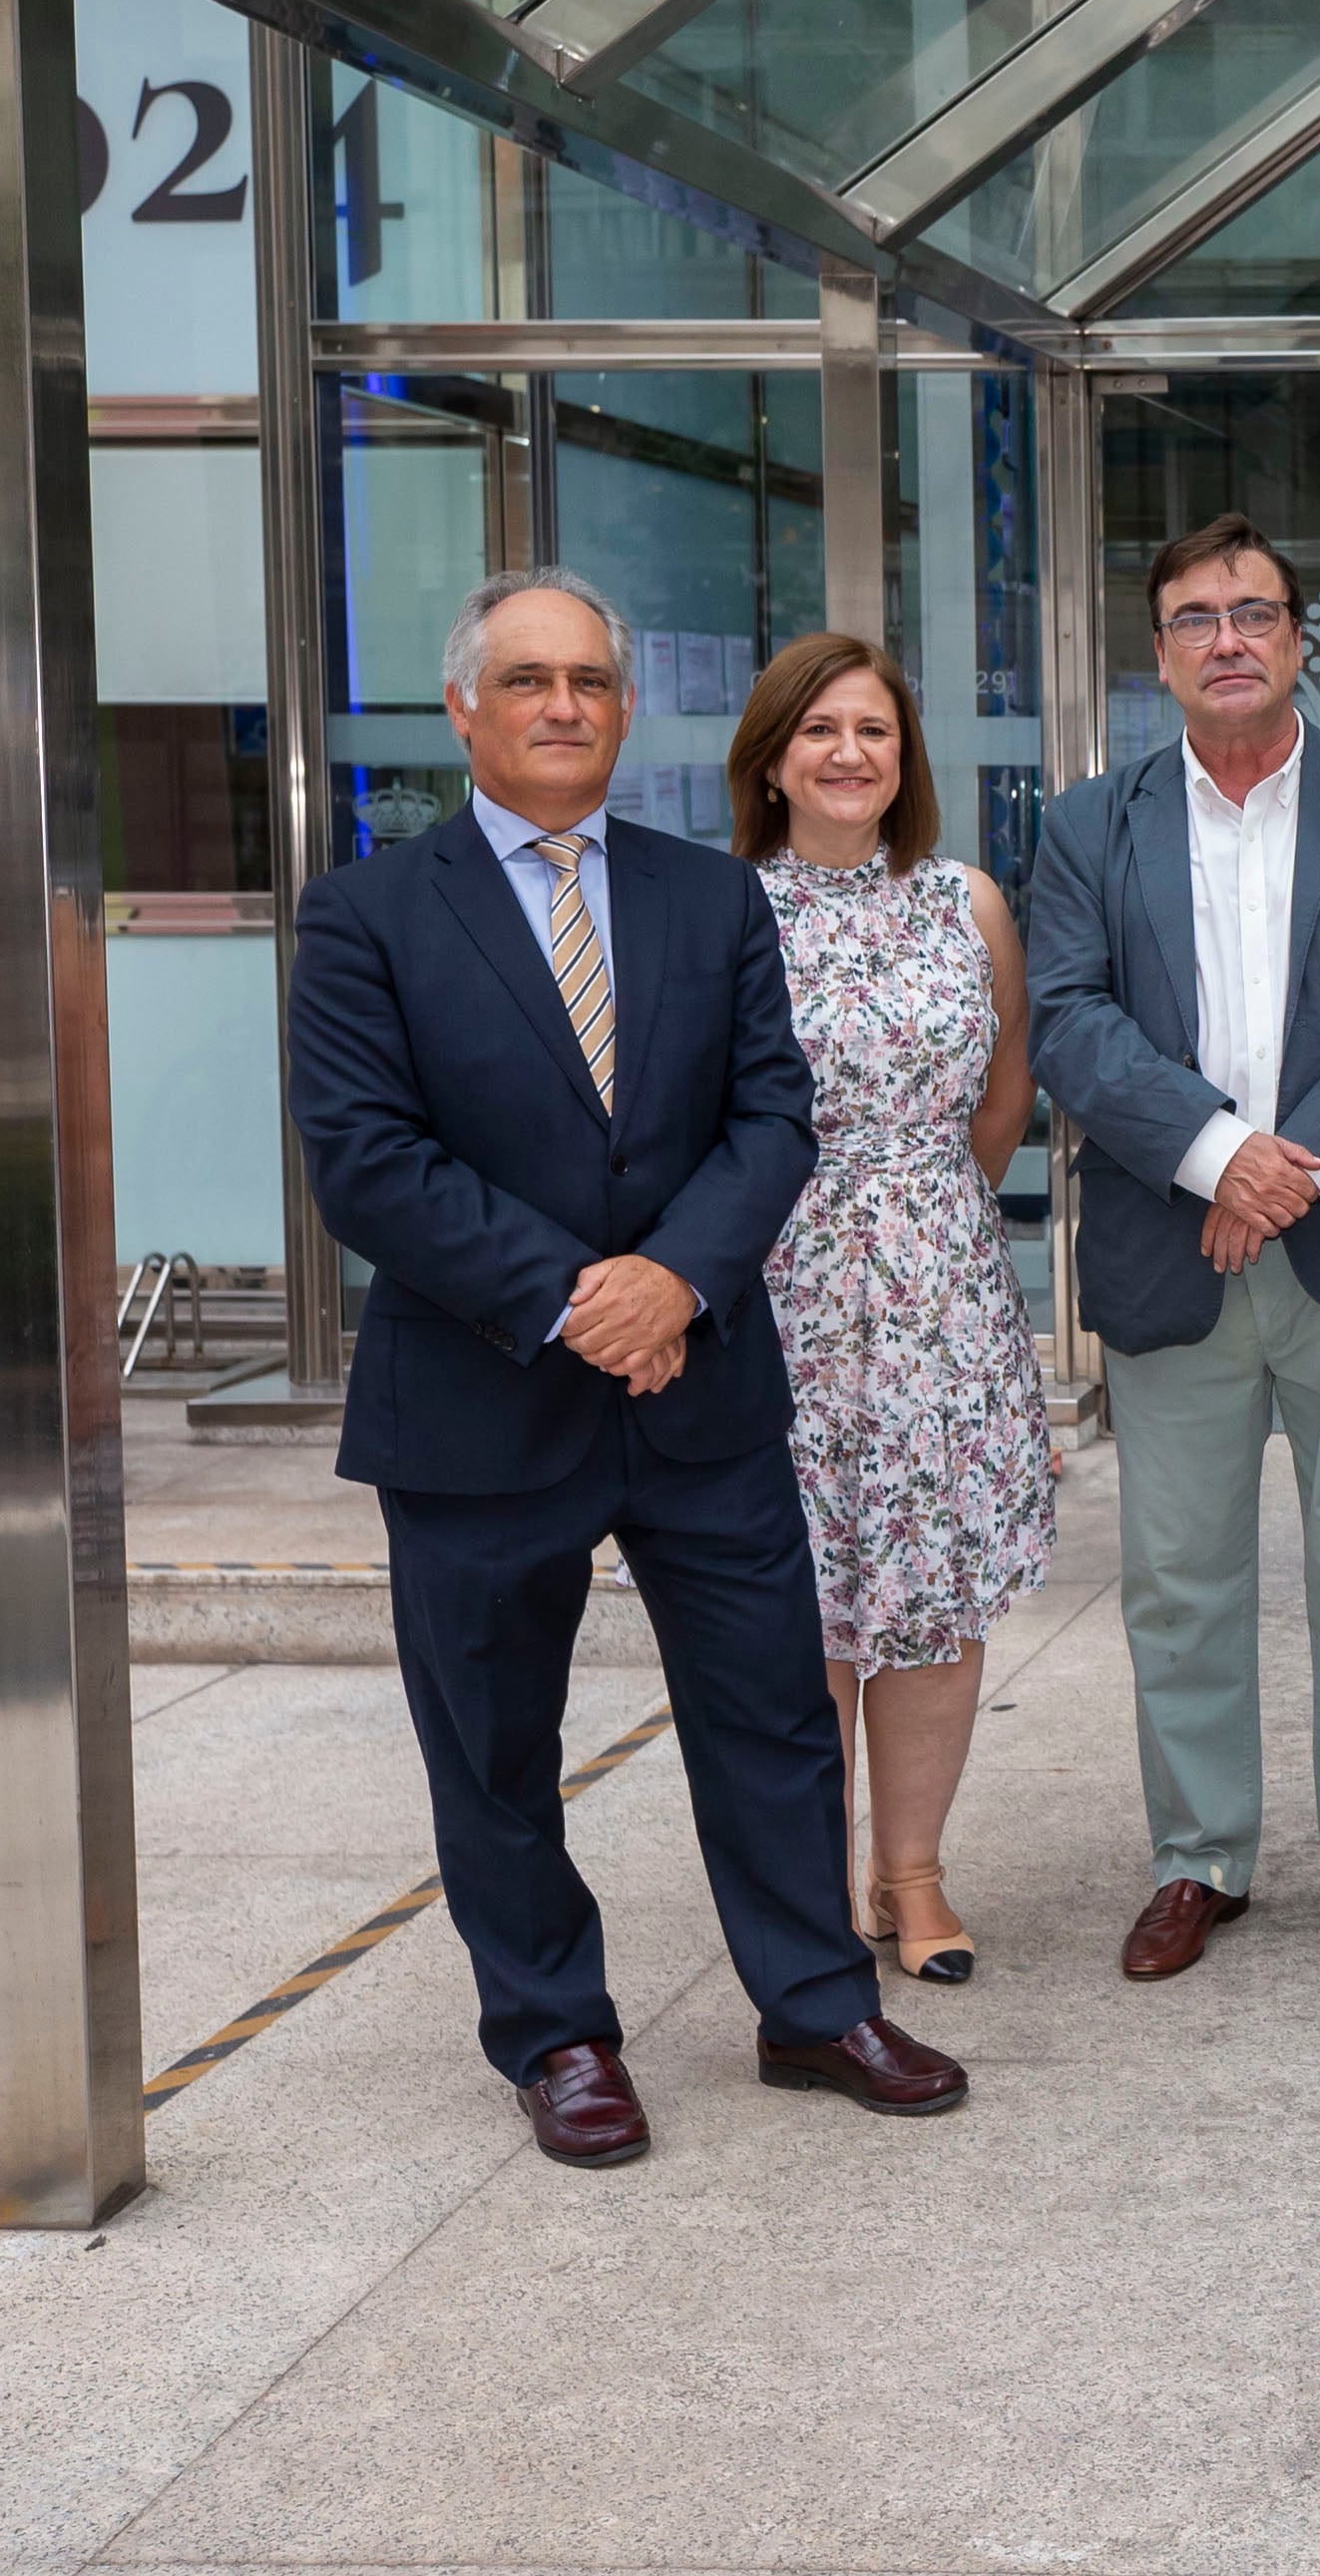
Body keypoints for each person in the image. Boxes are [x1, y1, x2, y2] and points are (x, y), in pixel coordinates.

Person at [288, 569, 963, 2167]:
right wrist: (578, 1295)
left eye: (589, 678)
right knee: (495, 1742)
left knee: (771, 1717)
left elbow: (773, 1117)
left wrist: (675, 1280)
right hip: (475, 1396)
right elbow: (364, 1160)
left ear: (623, 702)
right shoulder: (368, 910)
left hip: (701, 1384)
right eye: (527, 680)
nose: (564, 706)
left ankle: (813, 2003)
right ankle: (556, 2033)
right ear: (465, 706)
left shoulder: (707, 896)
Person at [1025, 514, 1320, 1985]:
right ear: (1158, 652)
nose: (1228, 637)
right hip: (1175, 1246)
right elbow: (1071, 1019)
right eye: (1197, 616)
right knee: (1178, 1576)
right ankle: (1196, 1852)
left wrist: (1287, 1173)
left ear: (1296, 639)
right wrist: (1222, 1154)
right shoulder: (1090, 823)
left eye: (1255, 612)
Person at [727, 632, 1056, 1988]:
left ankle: (911, 1874)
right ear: (772, 758)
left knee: (927, 1600)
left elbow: (1006, 1081)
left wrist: (918, 1218)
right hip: (775, 1290)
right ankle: (809, 1884)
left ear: (903, 755)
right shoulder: (720, 908)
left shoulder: (965, 900)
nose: (849, 751)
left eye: (872, 728)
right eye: (820, 730)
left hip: (941, 1297)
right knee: (796, 1603)